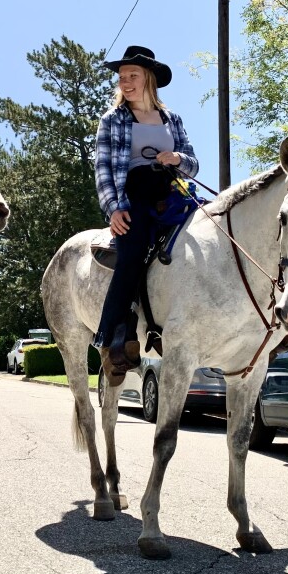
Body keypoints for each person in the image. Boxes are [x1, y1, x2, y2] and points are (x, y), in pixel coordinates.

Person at [93, 46, 199, 372]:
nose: (125, 82)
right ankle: (112, 337)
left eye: (132, 76)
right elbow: (104, 170)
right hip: (133, 198)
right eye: (122, 77)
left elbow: (193, 163)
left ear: (148, 79)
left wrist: (178, 159)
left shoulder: (173, 119)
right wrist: (114, 209)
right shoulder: (113, 120)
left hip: (173, 196)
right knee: (132, 253)